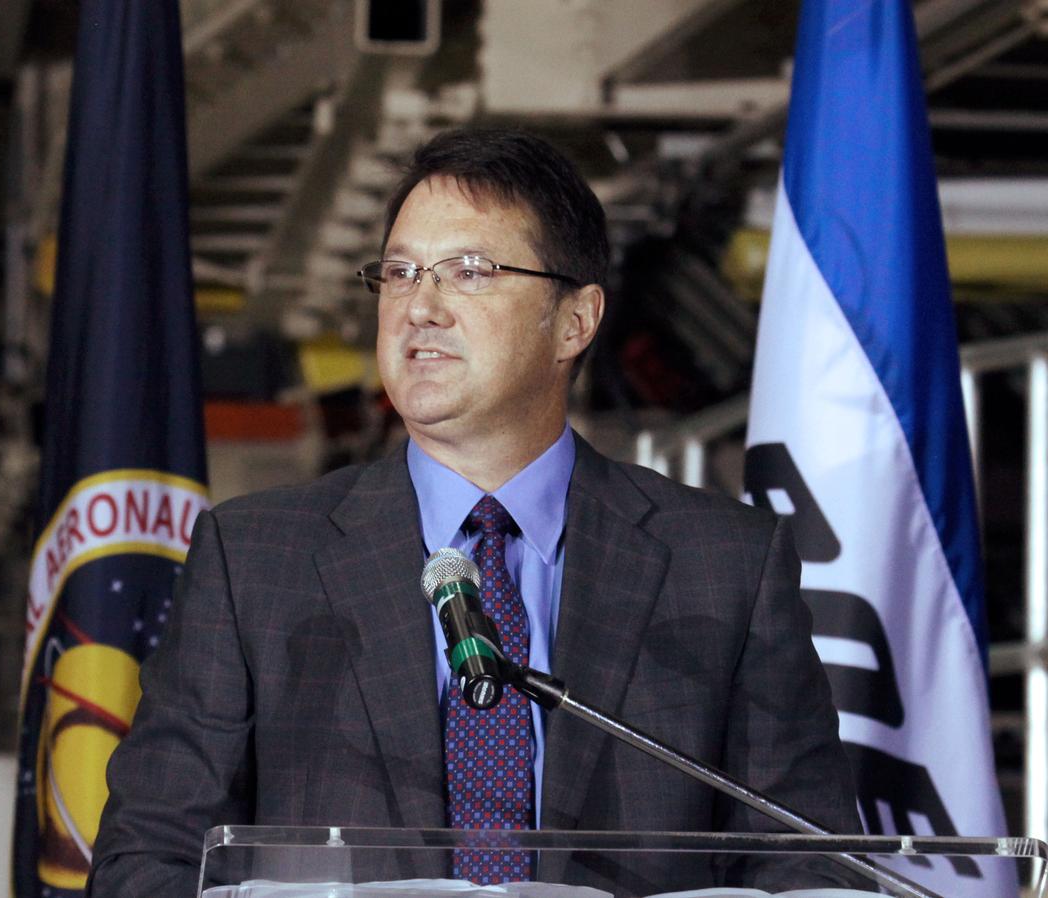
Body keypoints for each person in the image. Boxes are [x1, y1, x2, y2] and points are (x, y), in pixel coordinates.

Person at [87, 129, 860, 897]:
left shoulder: (725, 565)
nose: (420, 306)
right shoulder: (254, 559)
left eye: (469, 271)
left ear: (575, 321)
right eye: (398, 272)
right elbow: (146, 860)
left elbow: (808, 861)